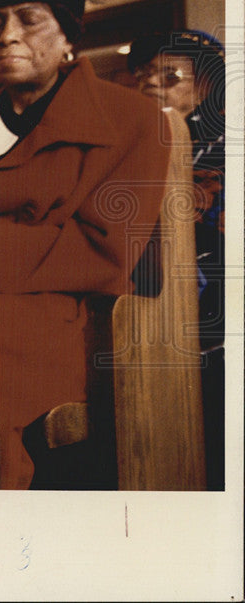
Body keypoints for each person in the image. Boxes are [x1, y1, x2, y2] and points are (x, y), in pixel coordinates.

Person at [0, 0, 170, 489]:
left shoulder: (134, 120)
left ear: (68, 38)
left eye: (28, 18)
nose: (6, 34)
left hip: (66, 320)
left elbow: (101, 253)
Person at [127, 29, 226, 490]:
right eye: (145, 73)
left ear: (205, 88)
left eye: (170, 76)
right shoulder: (139, 141)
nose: (152, 83)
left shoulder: (223, 146)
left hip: (212, 323)